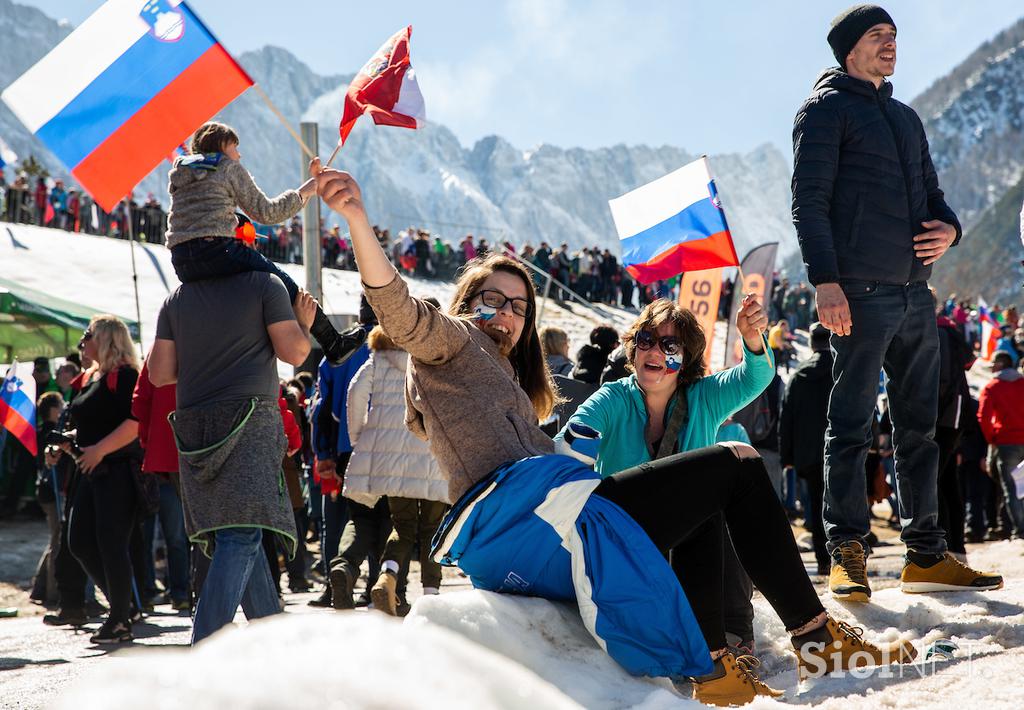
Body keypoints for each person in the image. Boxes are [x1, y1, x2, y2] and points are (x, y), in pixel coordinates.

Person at [315, 168, 917, 707]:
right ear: (463, 303)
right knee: (735, 461)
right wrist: (359, 221)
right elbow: (402, 314)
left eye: (519, 305)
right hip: (527, 520)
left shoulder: (510, 375)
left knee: (714, 491)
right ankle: (814, 635)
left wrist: (754, 340)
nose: (504, 312)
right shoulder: (452, 344)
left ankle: (715, 667)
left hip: (544, 515)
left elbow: (752, 378)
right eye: (489, 298)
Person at [791, 4, 1001, 600]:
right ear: (849, 49)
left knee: (920, 430)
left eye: (894, 36)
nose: (891, 45)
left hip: (915, 295)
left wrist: (951, 230)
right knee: (849, 426)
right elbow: (809, 202)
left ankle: (926, 557)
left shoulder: (907, 119)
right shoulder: (825, 110)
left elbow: (934, 196)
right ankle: (847, 554)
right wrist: (824, 281)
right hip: (856, 293)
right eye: (878, 36)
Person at [558, 295, 774, 661]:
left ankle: (733, 631)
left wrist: (752, 338)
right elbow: (572, 436)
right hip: (626, 541)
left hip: (693, 546)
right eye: (645, 339)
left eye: (668, 344)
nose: (653, 351)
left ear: (685, 356)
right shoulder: (613, 398)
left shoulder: (706, 397)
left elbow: (758, 374)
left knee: (725, 503)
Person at [148, 262, 317, 644]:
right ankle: (205, 648)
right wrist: (303, 324)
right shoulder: (264, 285)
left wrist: (202, 360)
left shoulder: (176, 298)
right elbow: (293, 351)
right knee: (241, 534)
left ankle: (271, 644)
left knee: (241, 532)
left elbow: (158, 374)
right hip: (248, 420)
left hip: (194, 429)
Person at [164, 121, 364, 365]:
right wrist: (305, 191)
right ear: (223, 147)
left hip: (182, 259)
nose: (239, 154)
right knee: (283, 283)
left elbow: (197, 215)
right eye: (235, 147)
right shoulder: (228, 167)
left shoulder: (180, 172)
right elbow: (267, 213)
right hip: (219, 250)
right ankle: (333, 343)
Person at [344, 320, 450, 615]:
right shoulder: (435, 356)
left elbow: (355, 394)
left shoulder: (378, 358)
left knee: (401, 527)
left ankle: (388, 576)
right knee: (432, 529)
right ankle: (431, 596)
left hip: (391, 460)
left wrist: (360, 438)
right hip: (431, 453)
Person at [48, 316, 143, 644]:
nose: (82, 343)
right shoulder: (93, 376)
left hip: (116, 471)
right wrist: (64, 444)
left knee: (111, 544)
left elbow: (135, 423)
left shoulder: (127, 375)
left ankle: (119, 618)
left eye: (87, 336)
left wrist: (100, 449)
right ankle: (122, 607)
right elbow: (92, 423)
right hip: (90, 470)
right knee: (79, 542)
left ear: (105, 339)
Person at [131, 360, 190, 611]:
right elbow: (140, 404)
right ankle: (164, 592)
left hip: (171, 461)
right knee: (169, 536)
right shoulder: (158, 358)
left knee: (174, 536)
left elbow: (139, 404)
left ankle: (178, 591)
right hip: (168, 462)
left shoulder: (166, 355)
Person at [779, 323, 834, 575]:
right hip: (841, 448)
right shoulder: (841, 370)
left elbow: (786, 417)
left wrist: (787, 457)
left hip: (809, 452)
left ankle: (823, 559)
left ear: (811, 343)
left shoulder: (799, 375)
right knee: (842, 501)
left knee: (815, 502)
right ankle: (847, 559)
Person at [977, 351, 1024, 539]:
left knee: (1011, 489)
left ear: (999, 365)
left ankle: (1021, 530)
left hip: (1006, 443)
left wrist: (992, 440)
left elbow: (984, 418)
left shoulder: (992, 386)